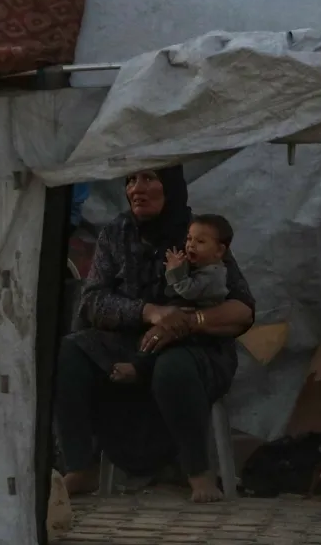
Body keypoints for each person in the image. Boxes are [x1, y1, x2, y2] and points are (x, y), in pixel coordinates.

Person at [54, 165, 255, 503]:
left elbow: (243, 309)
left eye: (149, 178)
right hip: (128, 342)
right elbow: (91, 301)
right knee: (69, 353)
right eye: (131, 180)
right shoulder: (115, 234)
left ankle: (198, 472)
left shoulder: (198, 235)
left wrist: (188, 322)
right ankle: (80, 466)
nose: (137, 188)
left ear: (171, 186)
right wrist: (150, 312)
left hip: (195, 346)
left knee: (172, 368)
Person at [110, 213, 234, 384]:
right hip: (187, 314)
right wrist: (180, 266)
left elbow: (187, 290)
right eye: (189, 239)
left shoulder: (214, 275)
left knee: (166, 343)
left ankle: (139, 369)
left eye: (200, 241)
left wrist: (174, 270)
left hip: (200, 327)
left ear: (219, 251)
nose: (191, 245)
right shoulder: (203, 266)